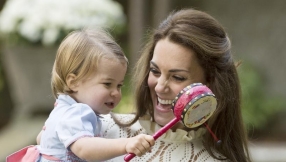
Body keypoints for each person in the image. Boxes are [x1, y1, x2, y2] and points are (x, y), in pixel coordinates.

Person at [101, 8, 252, 162]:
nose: (159, 87)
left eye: (178, 77)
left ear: (210, 83)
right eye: (155, 71)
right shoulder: (97, 130)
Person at [6, 28, 155, 162]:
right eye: (107, 84)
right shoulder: (77, 112)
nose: (116, 92)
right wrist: (126, 143)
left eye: (119, 85)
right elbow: (85, 149)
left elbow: (41, 138)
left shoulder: (63, 108)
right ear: (74, 82)